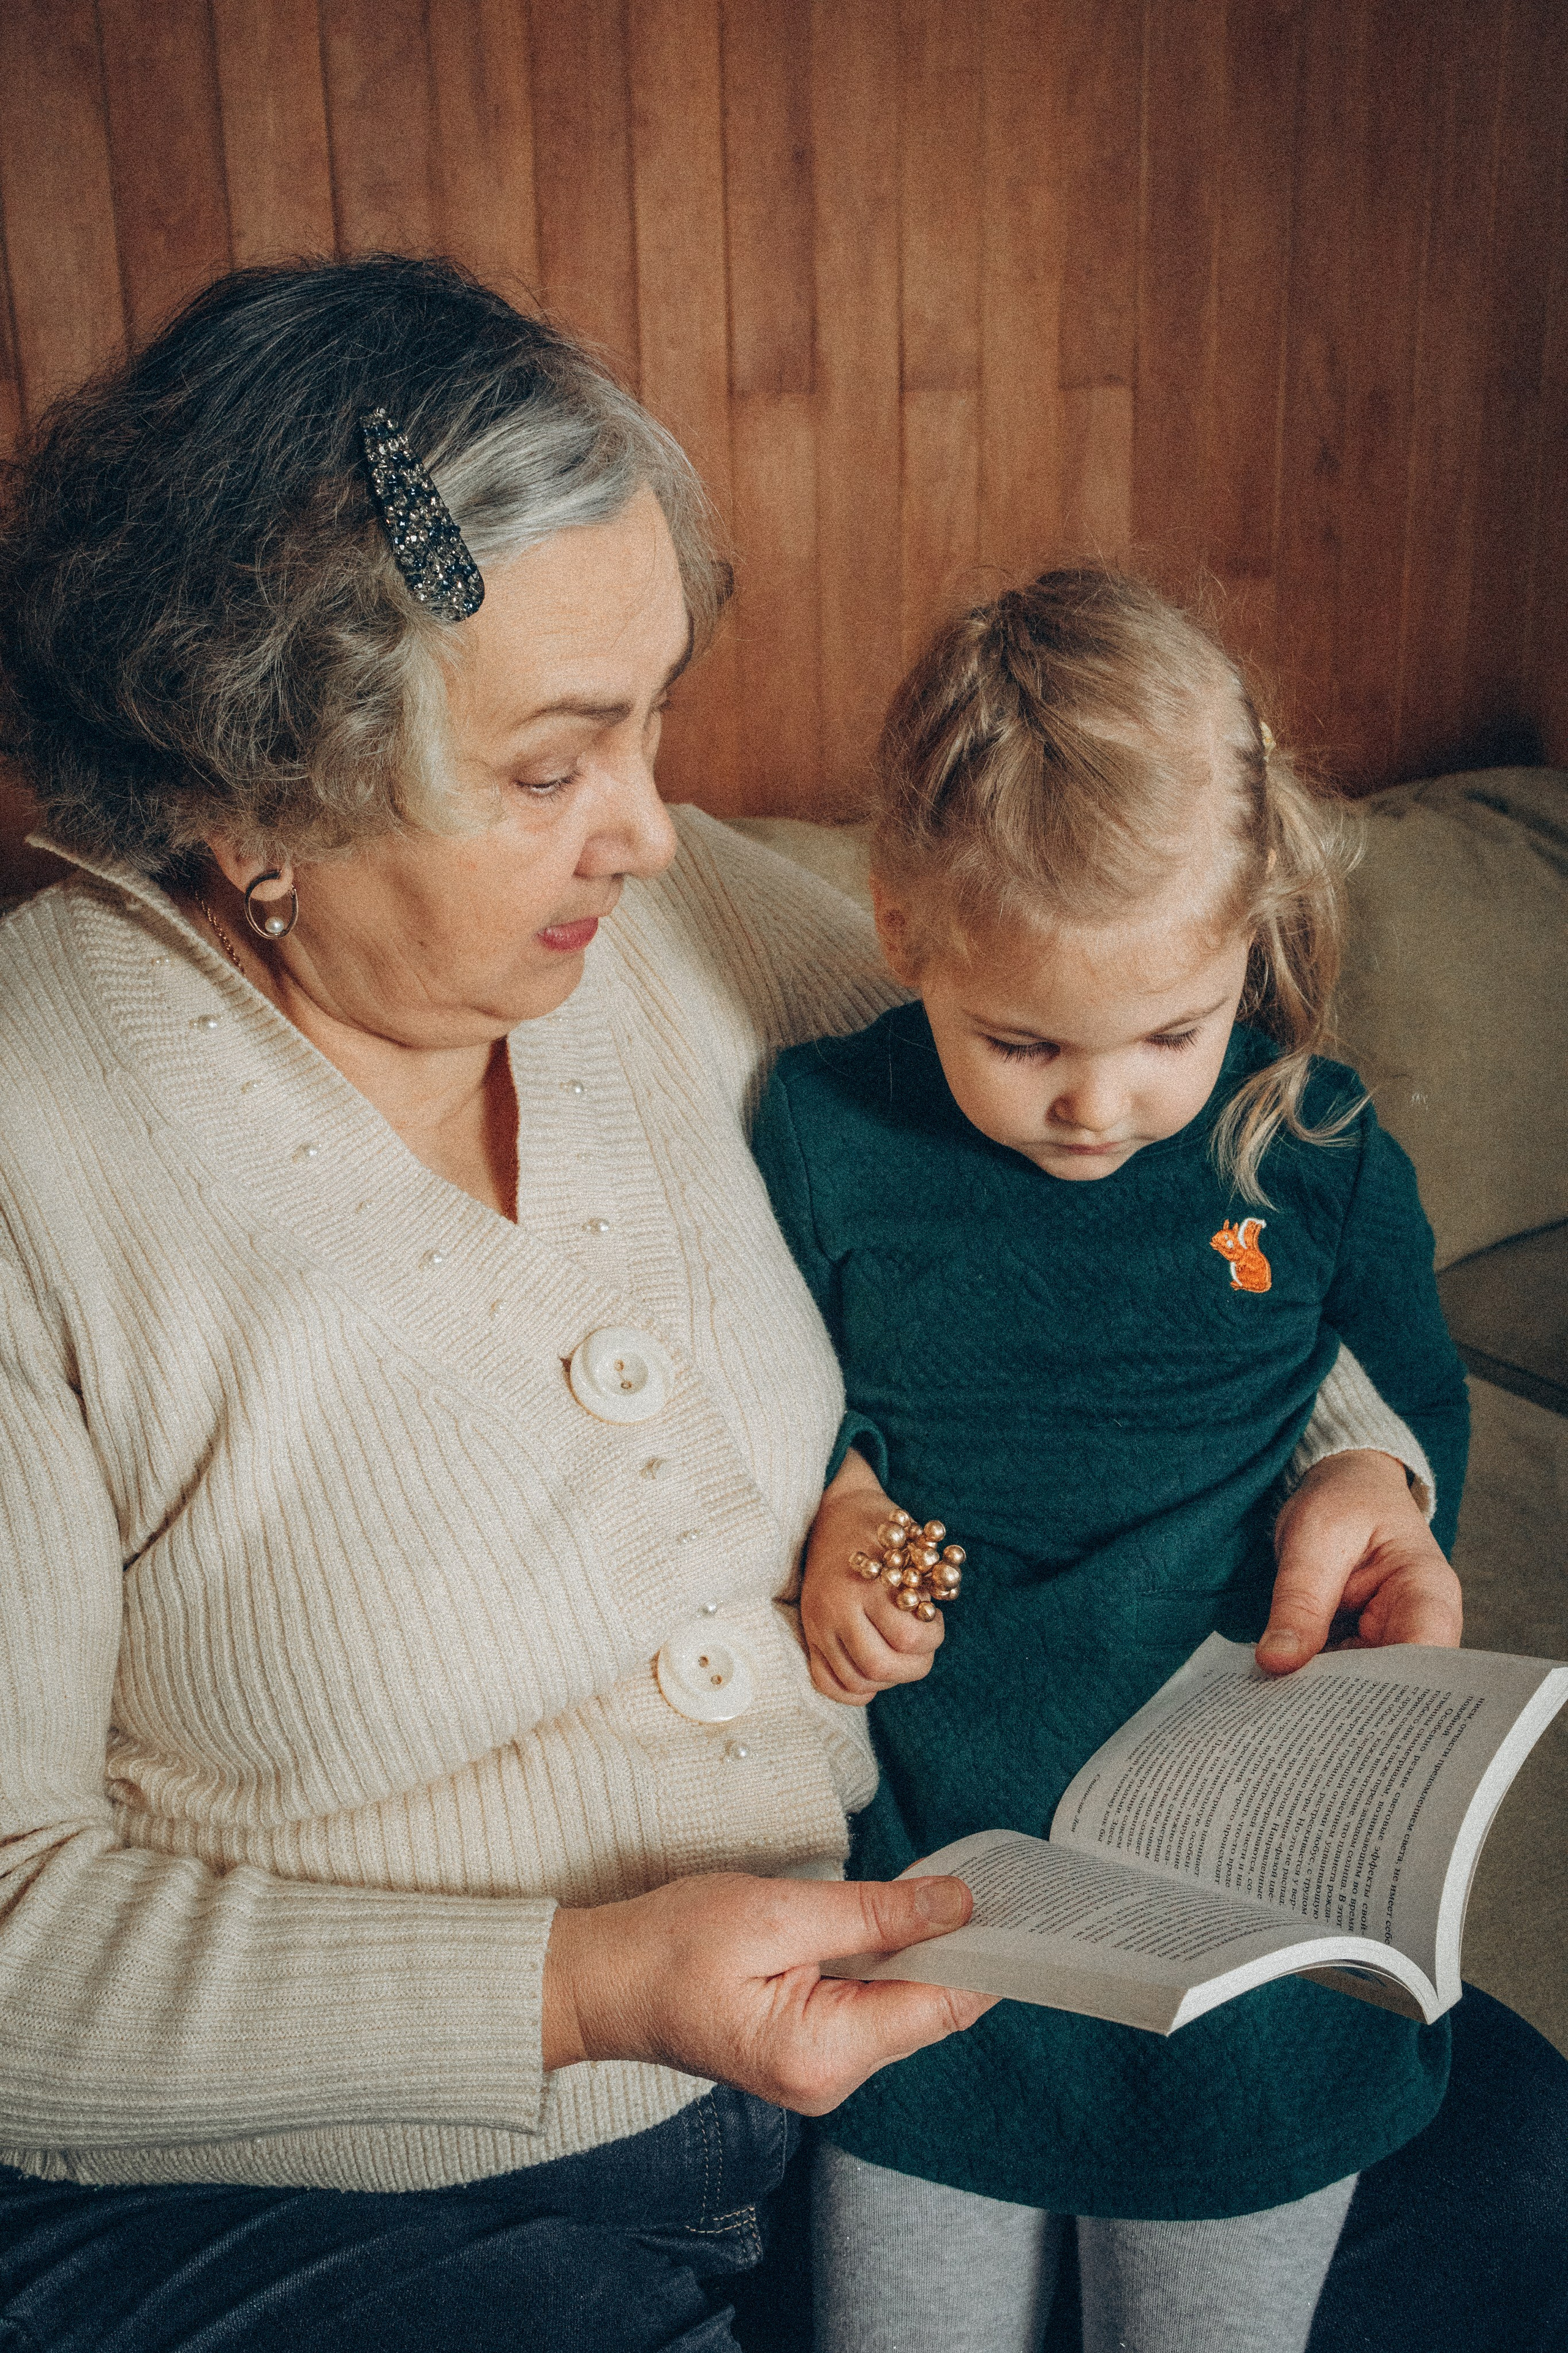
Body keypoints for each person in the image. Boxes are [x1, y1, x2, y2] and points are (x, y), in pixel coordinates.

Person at [0, 261, 1441, 2352]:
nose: (658, 827)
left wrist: (1350, 1453)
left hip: (919, 2035)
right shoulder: (43, 1144)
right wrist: (585, 1985)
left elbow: (1092, 1118)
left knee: (1499, 2173)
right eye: (553, 765)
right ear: (250, 777)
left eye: (653, 717)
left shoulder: (676, 939)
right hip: (369, 2199)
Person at [750, 570, 1470, 2353]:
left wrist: (1384, 1487)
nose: (1102, 1102)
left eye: (1172, 1029)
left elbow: (1400, 1402)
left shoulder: (1314, 1148)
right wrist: (834, 1504)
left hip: (1250, 1888)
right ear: (902, 927)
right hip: (945, 1876)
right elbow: (756, 1389)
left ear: (1251, 937)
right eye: (1024, 1041)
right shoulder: (829, 1137)